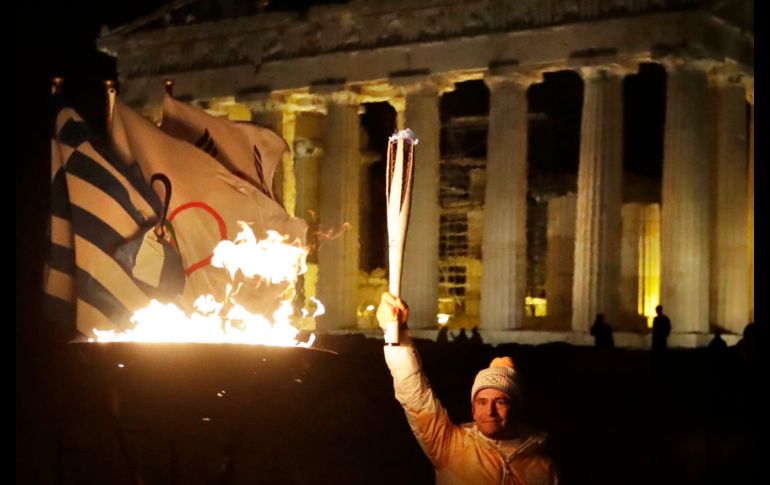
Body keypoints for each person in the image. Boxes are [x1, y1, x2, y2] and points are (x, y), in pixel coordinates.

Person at [377, 292, 558, 484]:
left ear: (517, 407)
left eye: (501, 402)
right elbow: (415, 396)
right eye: (482, 402)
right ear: (472, 408)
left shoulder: (543, 462)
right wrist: (396, 332)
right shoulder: (450, 445)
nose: (490, 411)